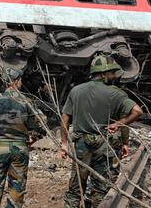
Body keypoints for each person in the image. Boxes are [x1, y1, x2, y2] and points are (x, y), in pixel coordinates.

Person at [60, 54, 143, 208]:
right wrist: (120, 127)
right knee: (101, 189)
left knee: (75, 187)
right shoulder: (116, 93)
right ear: (104, 74)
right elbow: (137, 111)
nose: (114, 76)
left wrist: (64, 143)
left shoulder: (76, 91)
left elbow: (65, 117)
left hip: (81, 146)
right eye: (112, 73)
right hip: (105, 147)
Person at [0, 68, 45, 208]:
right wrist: (35, 137)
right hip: (20, 148)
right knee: (17, 188)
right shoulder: (26, 101)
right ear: (17, 81)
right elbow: (42, 121)